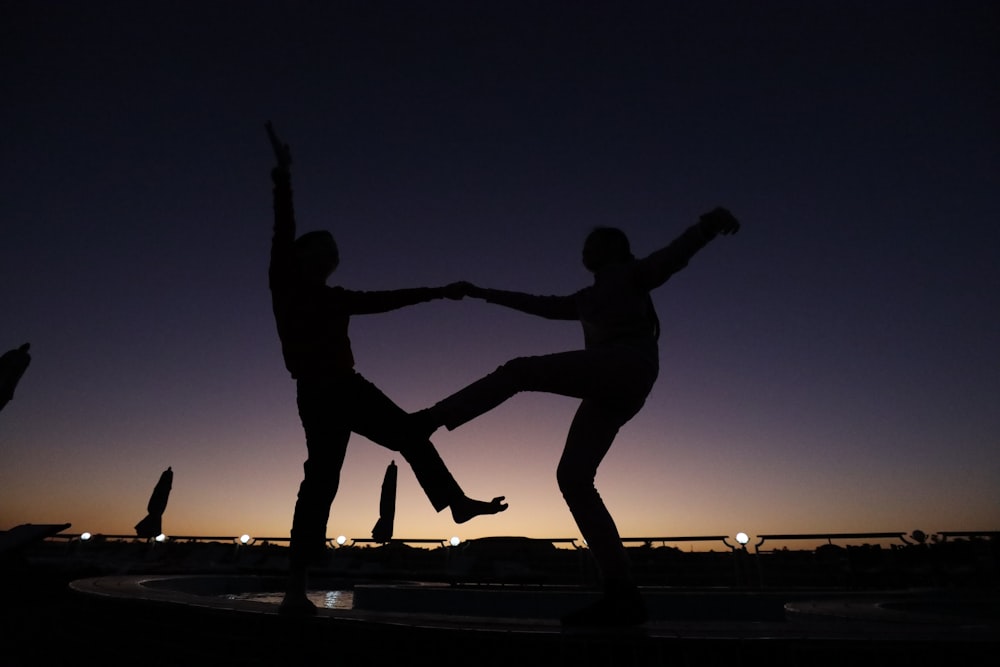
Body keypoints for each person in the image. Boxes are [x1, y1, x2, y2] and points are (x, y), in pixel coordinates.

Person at [411, 209, 740, 627]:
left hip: (624, 365)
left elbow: (673, 256)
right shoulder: (586, 298)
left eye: (596, 242)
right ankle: (622, 593)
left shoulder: (633, 274)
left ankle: (432, 418)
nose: (586, 248)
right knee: (573, 478)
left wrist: (706, 227)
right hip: (619, 386)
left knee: (518, 370)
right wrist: (481, 292)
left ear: (616, 249)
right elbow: (539, 306)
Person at [265, 123, 507, 615]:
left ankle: (455, 502)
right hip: (318, 392)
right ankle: (294, 587)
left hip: (350, 388)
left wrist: (439, 291)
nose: (334, 252)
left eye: (336, 248)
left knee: (413, 434)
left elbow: (387, 300)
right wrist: (284, 176)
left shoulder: (338, 298)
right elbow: (283, 227)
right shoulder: (286, 282)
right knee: (321, 481)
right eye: (324, 245)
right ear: (302, 255)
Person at [0, 343, 31, 414]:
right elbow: (2, 360)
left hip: (11, 378)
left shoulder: (26, 357)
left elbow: (23, 367)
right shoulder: (13, 352)